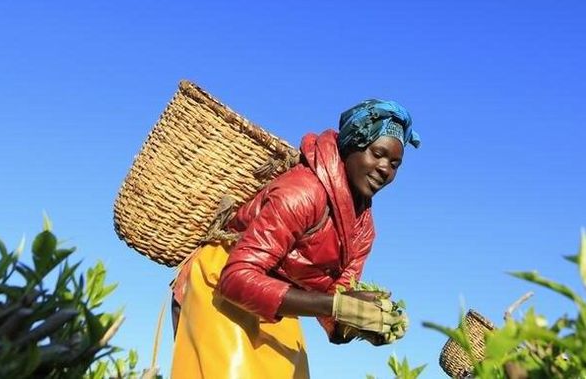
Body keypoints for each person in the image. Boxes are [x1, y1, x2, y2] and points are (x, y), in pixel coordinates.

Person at [170, 99, 421, 379]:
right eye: (378, 154)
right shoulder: (302, 193)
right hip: (222, 282)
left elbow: (332, 302)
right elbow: (235, 278)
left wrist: (358, 323)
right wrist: (335, 305)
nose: (385, 168)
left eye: (394, 163)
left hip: (277, 301)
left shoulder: (363, 231)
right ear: (353, 145)